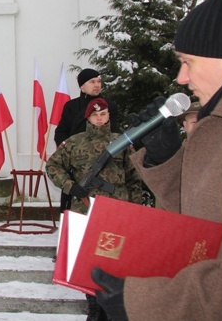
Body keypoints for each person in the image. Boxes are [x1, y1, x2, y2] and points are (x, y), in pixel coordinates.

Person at [92, 0, 222, 320]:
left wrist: (145, 301)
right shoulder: (216, 126)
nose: (182, 78)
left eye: (188, 61)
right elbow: (203, 229)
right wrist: (165, 159)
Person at [47, 97, 143, 321]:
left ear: (109, 116)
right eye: (95, 115)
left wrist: (136, 210)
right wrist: (72, 187)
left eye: (103, 114)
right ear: (87, 118)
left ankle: (113, 307)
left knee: (116, 260)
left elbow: (134, 178)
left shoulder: (121, 142)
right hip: (86, 209)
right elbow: (52, 165)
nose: (99, 119)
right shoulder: (74, 143)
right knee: (89, 261)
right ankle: (93, 307)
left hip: (118, 210)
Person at [53, 68, 120, 212]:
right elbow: (61, 132)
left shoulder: (109, 106)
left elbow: (113, 133)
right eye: (92, 82)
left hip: (104, 163)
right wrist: (68, 151)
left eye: (99, 81)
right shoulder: (71, 106)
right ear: (82, 86)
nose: (97, 85)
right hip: (77, 164)